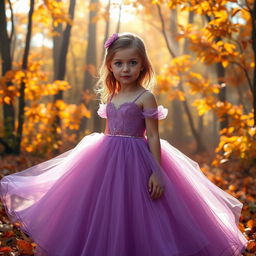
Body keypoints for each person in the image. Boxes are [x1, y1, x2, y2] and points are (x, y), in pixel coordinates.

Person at [0, 32, 248, 256]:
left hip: (137, 159)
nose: (125, 68)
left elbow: (152, 135)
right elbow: (109, 130)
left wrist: (157, 172)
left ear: (142, 66)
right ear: (110, 66)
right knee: (102, 209)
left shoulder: (146, 97)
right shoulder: (112, 96)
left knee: (139, 211)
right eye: (119, 63)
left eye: (132, 62)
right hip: (105, 157)